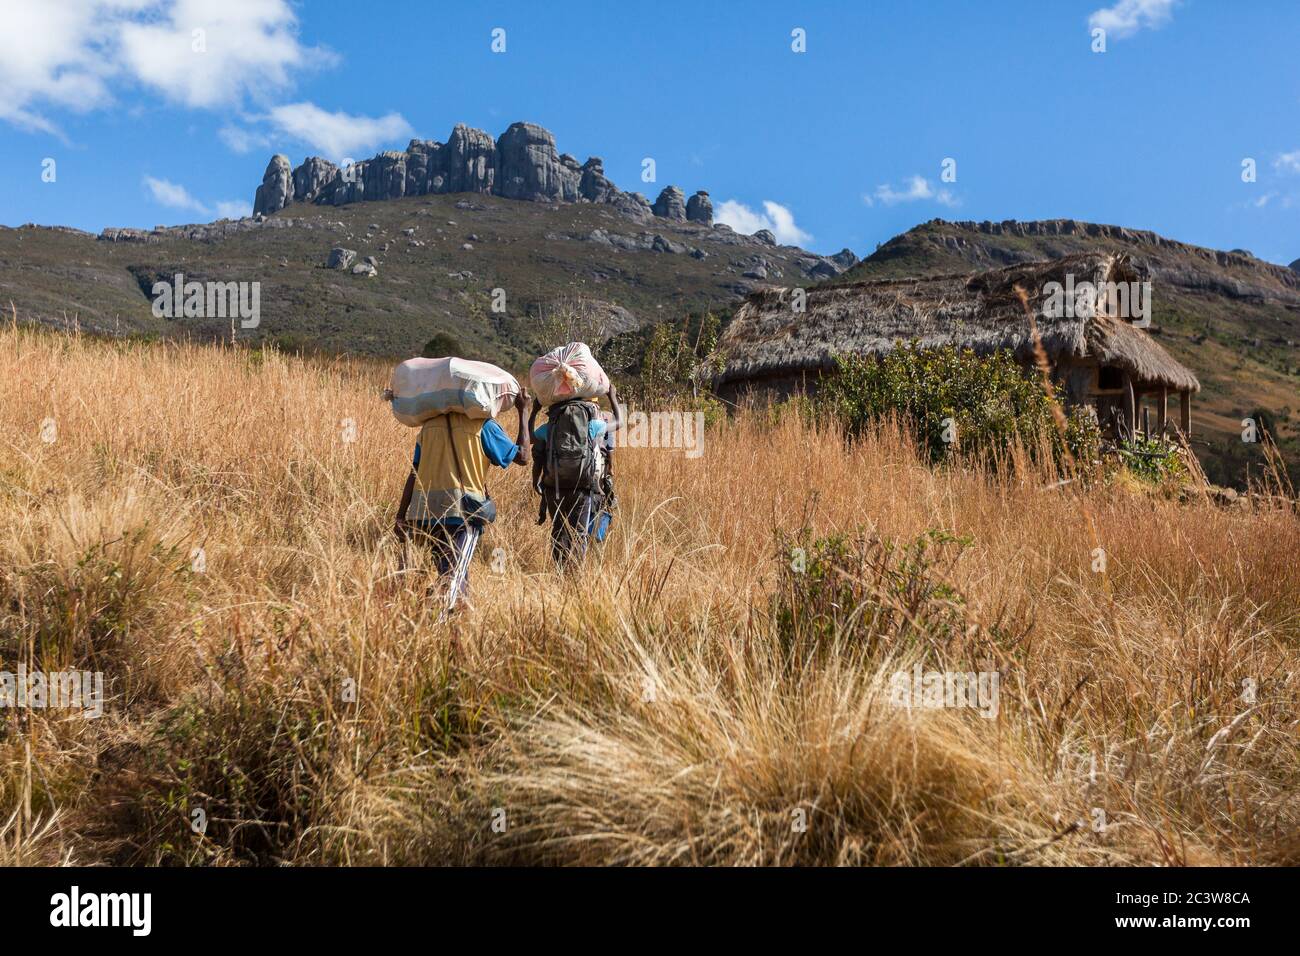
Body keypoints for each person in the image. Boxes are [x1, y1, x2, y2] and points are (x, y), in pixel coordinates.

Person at [393, 388, 531, 609]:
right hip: (462, 514)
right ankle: (433, 628)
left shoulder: (428, 427)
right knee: (452, 579)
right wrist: (523, 412)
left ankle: (455, 633)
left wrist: (401, 516)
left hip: (426, 514)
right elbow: (523, 457)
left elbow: (414, 472)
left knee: (452, 573)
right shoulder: (483, 426)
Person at [531, 382, 622, 568]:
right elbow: (619, 423)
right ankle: (574, 577)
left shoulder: (551, 426)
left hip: (553, 487)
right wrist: (612, 397)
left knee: (558, 530)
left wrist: (532, 410)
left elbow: (531, 437)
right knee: (579, 533)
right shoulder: (592, 425)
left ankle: (559, 572)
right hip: (582, 486)